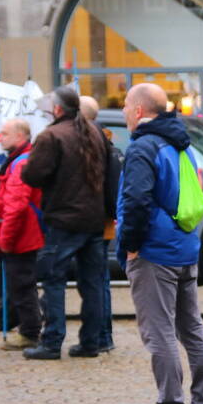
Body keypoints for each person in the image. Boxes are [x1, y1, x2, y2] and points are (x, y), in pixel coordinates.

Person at [117, 83, 203, 404]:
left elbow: (136, 200)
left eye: (128, 106)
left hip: (154, 251)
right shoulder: (181, 143)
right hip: (185, 246)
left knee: (158, 331)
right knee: (192, 328)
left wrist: (130, 244)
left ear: (140, 111)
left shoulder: (144, 147)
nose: (125, 112)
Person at [20, 86, 109, 360]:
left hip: (64, 219)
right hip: (93, 218)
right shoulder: (94, 132)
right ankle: (91, 341)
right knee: (92, 283)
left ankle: (52, 342)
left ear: (57, 109)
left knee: (54, 281)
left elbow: (32, 175)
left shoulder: (51, 136)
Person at [0, 118, 43, 351]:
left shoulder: (20, 163)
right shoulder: (20, 160)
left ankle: (29, 332)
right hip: (24, 231)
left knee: (22, 284)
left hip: (22, 234)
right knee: (22, 283)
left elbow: (16, 205)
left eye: (4, 133)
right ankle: (29, 328)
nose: (0, 137)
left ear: (19, 137)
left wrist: (5, 239)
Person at [80, 94, 118, 352]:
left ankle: (101, 336)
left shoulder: (92, 142)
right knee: (100, 278)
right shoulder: (106, 141)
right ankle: (104, 335)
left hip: (96, 218)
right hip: (104, 217)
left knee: (96, 279)